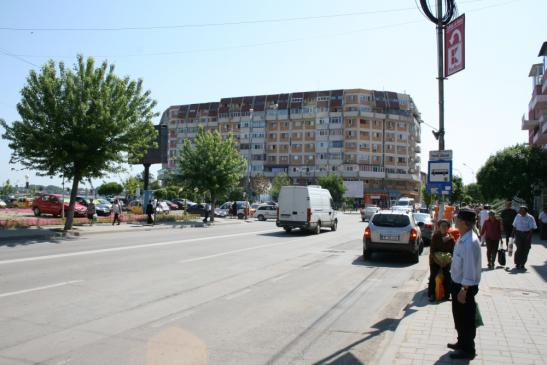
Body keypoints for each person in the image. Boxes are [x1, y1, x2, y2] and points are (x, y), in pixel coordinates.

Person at [448, 207, 481, 360]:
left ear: (464, 223)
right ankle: (461, 342)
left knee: (466, 319)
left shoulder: (470, 242)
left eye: (457, 219)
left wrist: (464, 289)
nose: (455, 221)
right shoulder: (463, 236)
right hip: (458, 284)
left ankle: (468, 350)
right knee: (459, 317)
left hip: (464, 287)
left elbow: (470, 269)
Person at [428, 219, 455, 302]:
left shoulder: (451, 238)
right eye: (442, 226)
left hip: (446, 262)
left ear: (448, 228)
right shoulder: (435, 237)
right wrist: (438, 262)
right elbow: (432, 251)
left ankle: (447, 295)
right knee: (433, 276)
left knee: (448, 276)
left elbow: (452, 252)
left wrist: (446, 261)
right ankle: (432, 294)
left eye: (446, 226)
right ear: (439, 227)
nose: (444, 228)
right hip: (435, 260)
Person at [512, 206, 537, 270]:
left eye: (522, 211)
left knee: (526, 249)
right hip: (518, 234)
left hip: (527, 234)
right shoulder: (517, 216)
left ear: (526, 211)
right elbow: (514, 225)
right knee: (519, 249)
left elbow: (531, 228)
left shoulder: (530, 217)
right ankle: (517, 263)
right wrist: (513, 234)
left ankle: (523, 263)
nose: (521, 212)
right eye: (520, 211)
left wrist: (529, 236)